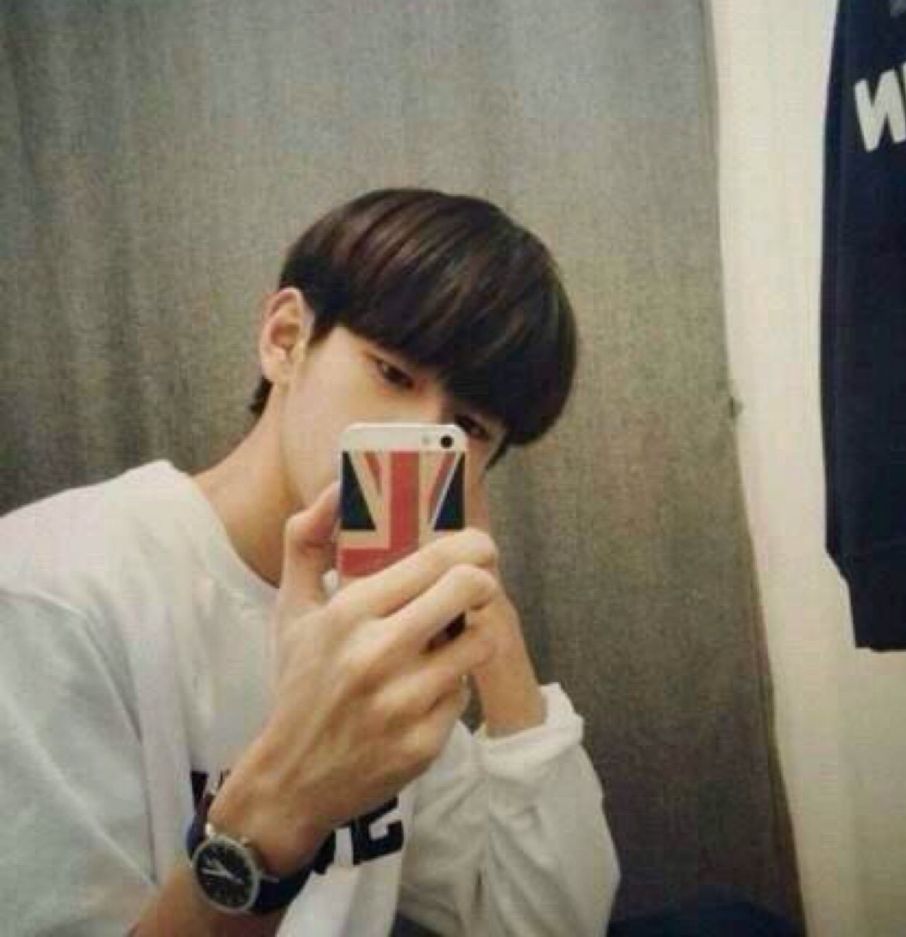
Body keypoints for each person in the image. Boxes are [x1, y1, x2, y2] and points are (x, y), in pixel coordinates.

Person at [0, 188, 619, 935]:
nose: (415, 431)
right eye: (392, 373)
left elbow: (545, 923)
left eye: (466, 426)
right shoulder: (48, 589)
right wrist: (288, 801)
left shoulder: (376, 626)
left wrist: (498, 642)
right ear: (286, 337)